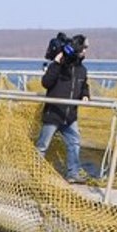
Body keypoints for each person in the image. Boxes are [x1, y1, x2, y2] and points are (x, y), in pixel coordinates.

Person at [36, 33, 92, 183]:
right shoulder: (59, 66)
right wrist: (56, 64)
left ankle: (72, 173)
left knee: (74, 142)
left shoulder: (82, 70)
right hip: (54, 113)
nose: (85, 51)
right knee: (42, 145)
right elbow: (46, 83)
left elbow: (84, 85)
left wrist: (86, 95)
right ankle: (35, 173)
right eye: (84, 48)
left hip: (70, 115)